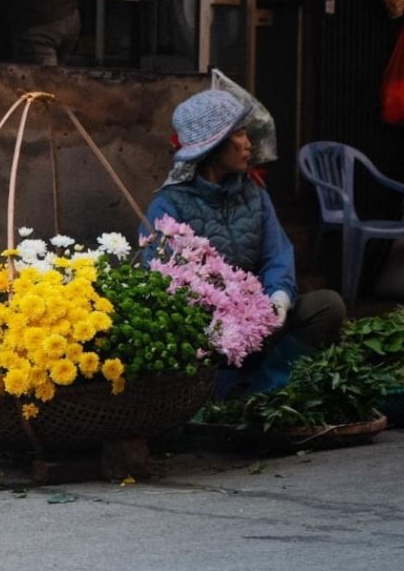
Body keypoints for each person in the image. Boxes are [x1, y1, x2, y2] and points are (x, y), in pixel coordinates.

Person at [142, 89, 346, 396]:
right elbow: (162, 280)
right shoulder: (169, 206)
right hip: (208, 334)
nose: (249, 144)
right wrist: (222, 317)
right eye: (239, 134)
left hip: (260, 322)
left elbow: (277, 256)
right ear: (213, 146)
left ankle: (264, 389)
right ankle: (216, 392)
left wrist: (278, 299)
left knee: (327, 306)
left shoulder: (255, 196)